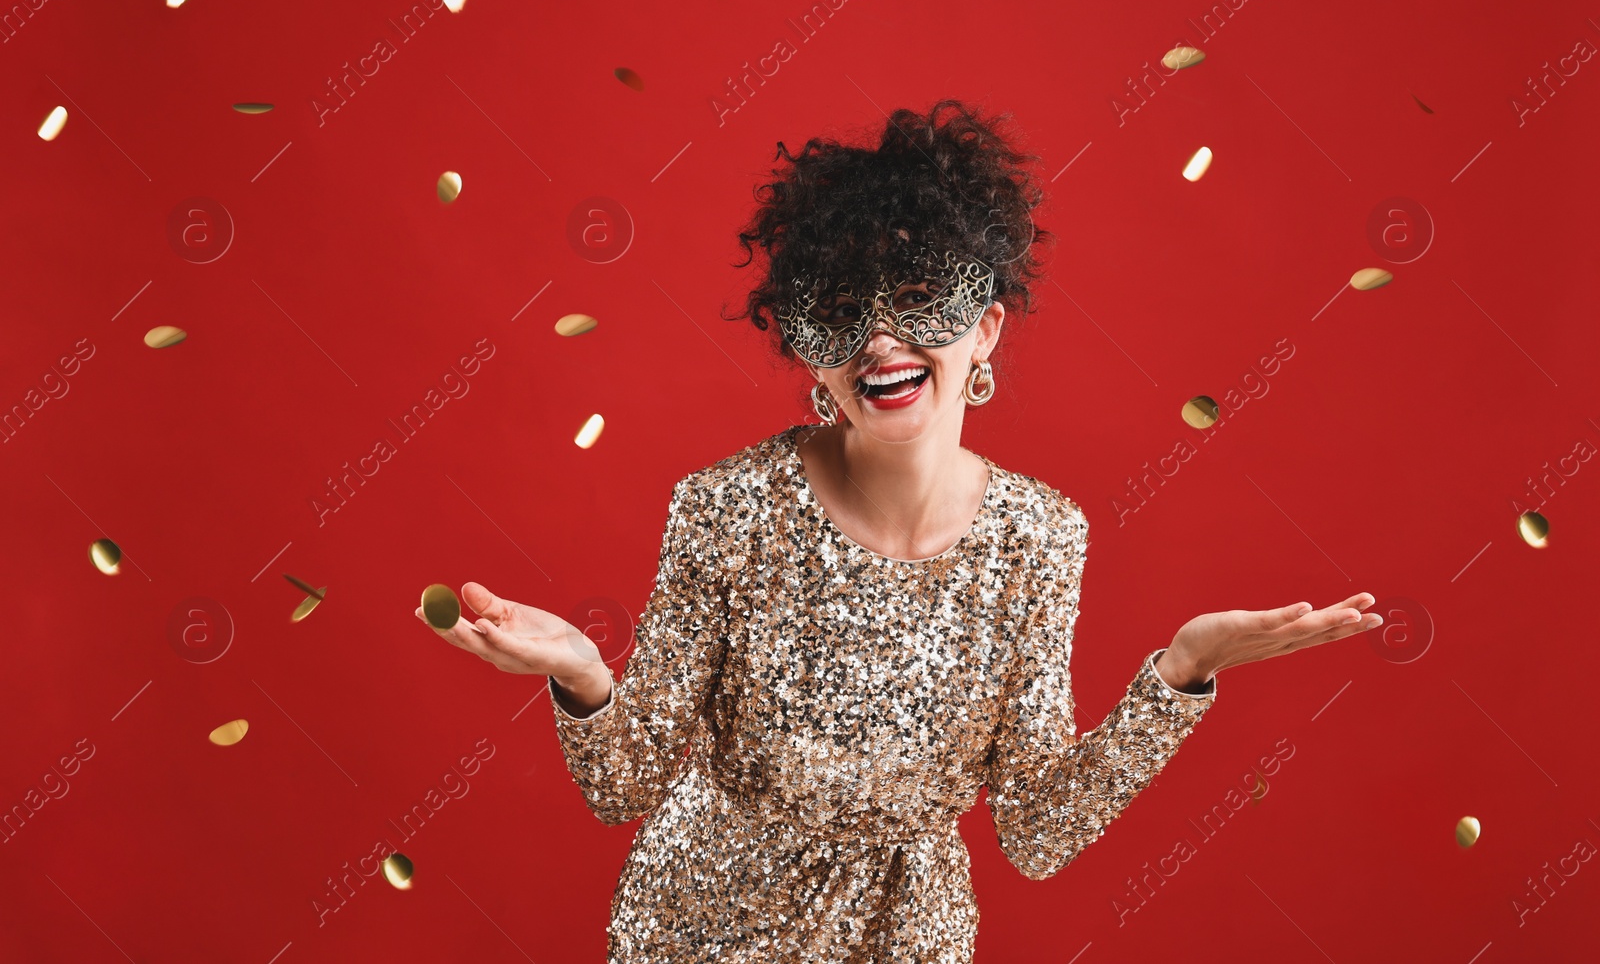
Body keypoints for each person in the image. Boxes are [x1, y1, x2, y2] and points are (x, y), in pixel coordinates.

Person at [415, 100, 1381, 961]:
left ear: (986, 330)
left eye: (919, 299)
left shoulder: (1041, 538)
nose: (881, 339)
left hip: (910, 934)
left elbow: (1038, 831)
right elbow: (623, 784)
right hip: (703, 924)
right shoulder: (728, 507)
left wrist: (1178, 676)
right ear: (812, 356)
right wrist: (582, 672)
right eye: (841, 312)